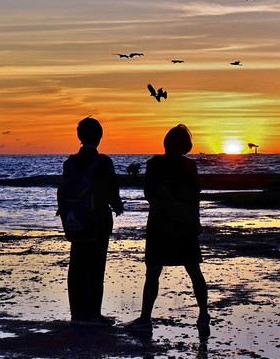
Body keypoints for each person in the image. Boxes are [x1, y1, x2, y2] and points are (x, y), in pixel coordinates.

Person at [129, 124, 210, 334]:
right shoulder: (190, 166)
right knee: (194, 270)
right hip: (185, 225)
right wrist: (194, 222)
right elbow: (195, 198)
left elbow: (149, 194)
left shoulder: (155, 164)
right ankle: (203, 314)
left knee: (153, 272)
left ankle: (146, 318)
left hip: (160, 224)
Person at [64, 116, 124, 326]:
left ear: (80, 136)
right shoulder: (103, 162)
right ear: (99, 137)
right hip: (97, 222)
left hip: (74, 222)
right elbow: (111, 190)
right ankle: (93, 314)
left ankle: (76, 313)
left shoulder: (69, 163)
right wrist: (118, 207)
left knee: (76, 266)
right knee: (96, 267)